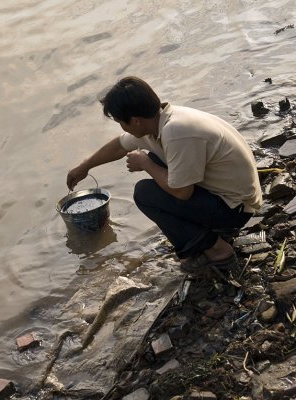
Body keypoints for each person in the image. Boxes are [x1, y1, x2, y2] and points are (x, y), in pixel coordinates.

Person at [67, 76, 262, 271]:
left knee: (145, 193)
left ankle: (218, 250)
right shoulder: (160, 122)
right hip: (229, 196)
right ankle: (210, 233)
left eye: (121, 122)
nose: (122, 127)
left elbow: (182, 193)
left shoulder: (177, 132)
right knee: (158, 160)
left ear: (135, 121)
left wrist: (144, 163)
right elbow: (119, 145)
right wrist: (85, 166)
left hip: (235, 209)